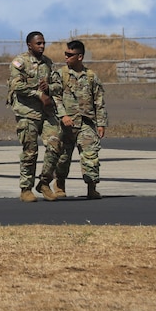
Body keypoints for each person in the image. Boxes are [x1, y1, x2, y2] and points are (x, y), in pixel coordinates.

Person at [7, 31, 65, 202]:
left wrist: (48, 88)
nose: (42, 46)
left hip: (46, 113)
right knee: (30, 152)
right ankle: (26, 189)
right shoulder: (19, 62)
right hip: (27, 113)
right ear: (29, 45)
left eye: (43, 43)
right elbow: (17, 86)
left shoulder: (47, 63)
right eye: (38, 43)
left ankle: (45, 182)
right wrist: (39, 94)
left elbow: (58, 85)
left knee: (56, 145)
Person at [53, 40, 107, 199]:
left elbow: (99, 101)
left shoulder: (91, 76)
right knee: (62, 157)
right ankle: (59, 185)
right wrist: (63, 115)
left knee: (91, 156)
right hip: (66, 124)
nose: (66, 57)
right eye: (65, 54)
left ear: (80, 57)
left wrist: (101, 123)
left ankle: (92, 187)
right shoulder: (60, 74)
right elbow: (55, 98)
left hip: (86, 123)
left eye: (70, 55)